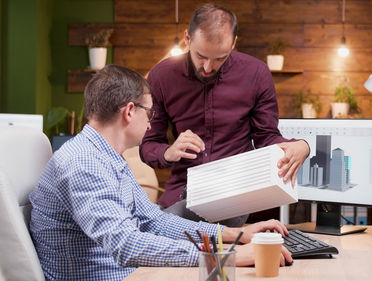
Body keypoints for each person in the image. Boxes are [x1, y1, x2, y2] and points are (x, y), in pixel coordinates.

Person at [29, 65, 292, 281]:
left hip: (130, 273)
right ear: (130, 111)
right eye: (150, 112)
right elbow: (126, 245)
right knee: (234, 274)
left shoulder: (106, 156)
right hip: (114, 276)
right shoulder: (83, 163)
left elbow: (154, 221)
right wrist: (226, 257)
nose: (152, 121)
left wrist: (235, 236)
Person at [140, 4, 310, 226]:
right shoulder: (161, 76)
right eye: (201, 56)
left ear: (234, 44)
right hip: (183, 190)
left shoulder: (256, 74)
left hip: (234, 194)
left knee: (180, 225)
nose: (208, 67)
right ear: (187, 39)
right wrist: (169, 152)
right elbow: (148, 145)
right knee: (168, 223)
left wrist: (301, 146)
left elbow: (266, 137)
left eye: (220, 58)